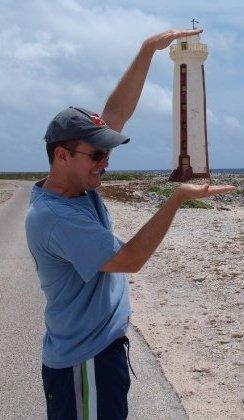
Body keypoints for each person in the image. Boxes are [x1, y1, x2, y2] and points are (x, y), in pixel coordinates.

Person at [25, 28, 235, 420]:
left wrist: (147, 50)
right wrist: (176, 200)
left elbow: (116, 113)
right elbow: (129, 259)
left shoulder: (77, 184)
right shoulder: (57, 216)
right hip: (83, 361)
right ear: (62, 156)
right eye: (96, 155)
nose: (105, 162)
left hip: (100, 350)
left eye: (106, 152)